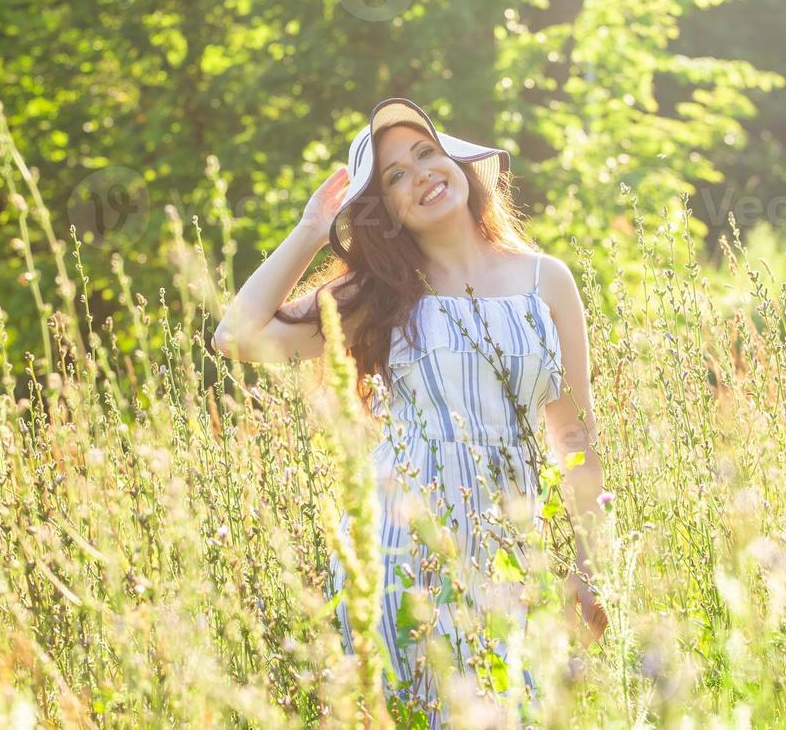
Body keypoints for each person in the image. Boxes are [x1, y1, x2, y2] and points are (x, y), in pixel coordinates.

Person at [211, 98, 609, 726]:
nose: (421, 173)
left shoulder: (546, 281)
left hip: (514, 554)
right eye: (395, 175)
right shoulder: (379, 298)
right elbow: (235, 336)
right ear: (384, 212)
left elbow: (576, 442)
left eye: (426, 153)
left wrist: (589, 568)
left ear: (458, 163)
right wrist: (313, 227)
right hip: (401, 554)